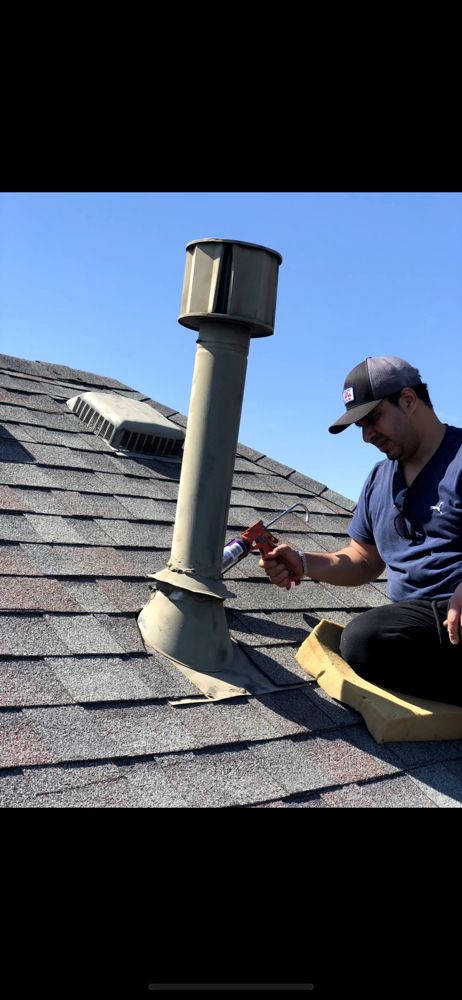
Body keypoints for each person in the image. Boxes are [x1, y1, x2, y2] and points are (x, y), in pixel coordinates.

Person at [260, 356, 462, 705]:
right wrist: (303, 563)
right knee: (367, 642)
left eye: (373, 419)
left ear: (409, 400)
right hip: (423, 630)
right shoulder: (378, 480)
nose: (368, 436)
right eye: (361, 427)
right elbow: (363, 559)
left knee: (363, 639)